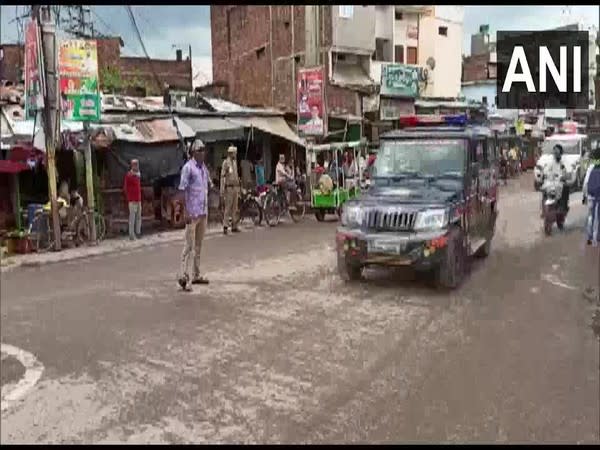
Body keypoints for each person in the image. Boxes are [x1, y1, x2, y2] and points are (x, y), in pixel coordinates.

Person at [177, 140, 212, 290]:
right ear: (194, 152)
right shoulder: (188, 168)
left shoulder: (203, 168)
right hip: (192, 213)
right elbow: (182, 190)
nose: (203, 153)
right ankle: (184, 276)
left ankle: (196, 274)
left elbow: (208, 184)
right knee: (189, 246)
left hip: (202, 212)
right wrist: (184, 212)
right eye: (200, 150)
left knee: (199, 246)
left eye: (204, 150)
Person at [540, 144, 569, 218]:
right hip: (550, 183)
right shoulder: (550, 162)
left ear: (560, 153)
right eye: (555, 152)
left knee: (566, 187)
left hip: (559, 183)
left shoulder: (563, 164)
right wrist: (543, 176)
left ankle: (563, 207)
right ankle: (543, 210)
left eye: (557, 152)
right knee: (544, 191)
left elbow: (565, 173)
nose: (556, 154)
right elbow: (545, 171)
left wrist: (564, 177)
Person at [221, 145, 241, 234]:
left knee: (235, 208)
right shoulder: (226, 163)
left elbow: (236, 175)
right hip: (229, 188)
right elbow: (223, 176)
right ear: (231, 153)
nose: (235, 155)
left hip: (235, 187)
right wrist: (222, 189)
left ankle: (234, 225)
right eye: (234, 153)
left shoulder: (235, 163)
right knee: (228, 208)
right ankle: (225, 226)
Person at [583, 146, 600, 245]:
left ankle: (589, 236)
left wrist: (585, 195)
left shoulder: (591, 166)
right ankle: (597, 237)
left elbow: (586, 182)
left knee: (590, 216)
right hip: (598, 196)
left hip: (591, 195)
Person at [123, 159, 142, 240]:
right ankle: (131, 235)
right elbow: (125, 188)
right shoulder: (129, 175)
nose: (136, 166)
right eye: (135, 164)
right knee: (132, 218)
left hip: (138, 199)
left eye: (137, 164)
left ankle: (138, 233)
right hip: (132, 200)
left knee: (138, 217)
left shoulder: (138, 175)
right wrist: (129, 197)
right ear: (132, 166)